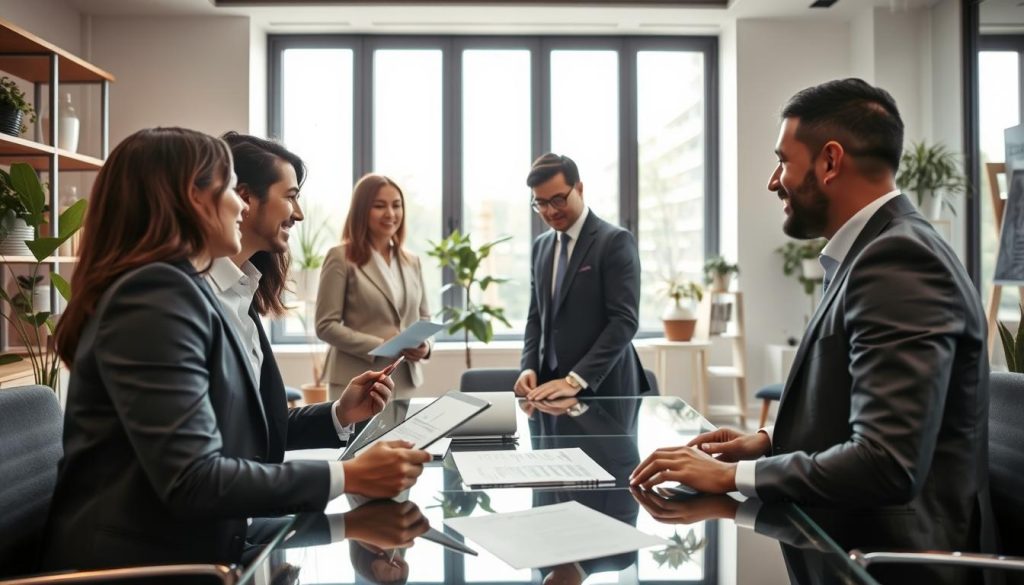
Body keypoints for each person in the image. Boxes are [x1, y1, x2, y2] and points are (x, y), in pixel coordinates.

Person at [631, 79, 992, 583]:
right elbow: (863, 405)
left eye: (783, 159)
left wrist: (732, 477)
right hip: (843, 538)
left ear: (829, 162)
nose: (773, 180)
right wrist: (769, 440)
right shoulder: (873, 251)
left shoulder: (898, 260)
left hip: (884, 562)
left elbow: (887, 461)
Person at [43, 128, 429, 572]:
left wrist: (350, 521)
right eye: (229, 188)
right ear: (194, 199)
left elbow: (240, 437)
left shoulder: (198, 293)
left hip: (197, 545)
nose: (239, 205)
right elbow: (195, 480)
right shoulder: (155, 295)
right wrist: (349, 477)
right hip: (141, 567)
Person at [213, 131, 429, 496]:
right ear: (243, 199)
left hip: (395, 384)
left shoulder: (243, 293)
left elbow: (263, 427)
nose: (298, 214)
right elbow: (199, 469)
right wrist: (346, 478)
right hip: (220, 526)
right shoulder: (187, 300)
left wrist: (339, 413)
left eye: (397, 205)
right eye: (291, 198)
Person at [514, 153, 648, 400]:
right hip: (548, 388)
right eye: (540, 203)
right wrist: (529, 366)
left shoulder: (615, 241)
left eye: (558, 199)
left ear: (579, 188)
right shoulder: (540, 247)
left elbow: (624, 321)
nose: (550, 211)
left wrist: (575, 379)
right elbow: (536, 316)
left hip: (606, 388)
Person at [316, 174, 432, 401]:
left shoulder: (412, 262)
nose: (390, 213)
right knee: (357, 438)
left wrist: (425, 347)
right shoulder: (340, 258)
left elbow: (424, 318)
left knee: (402, 438)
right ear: (362, 211)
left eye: (396, 206)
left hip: (403, 381)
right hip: (356, 381)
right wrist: (381, 345)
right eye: (380, 206)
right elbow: (325, 325)